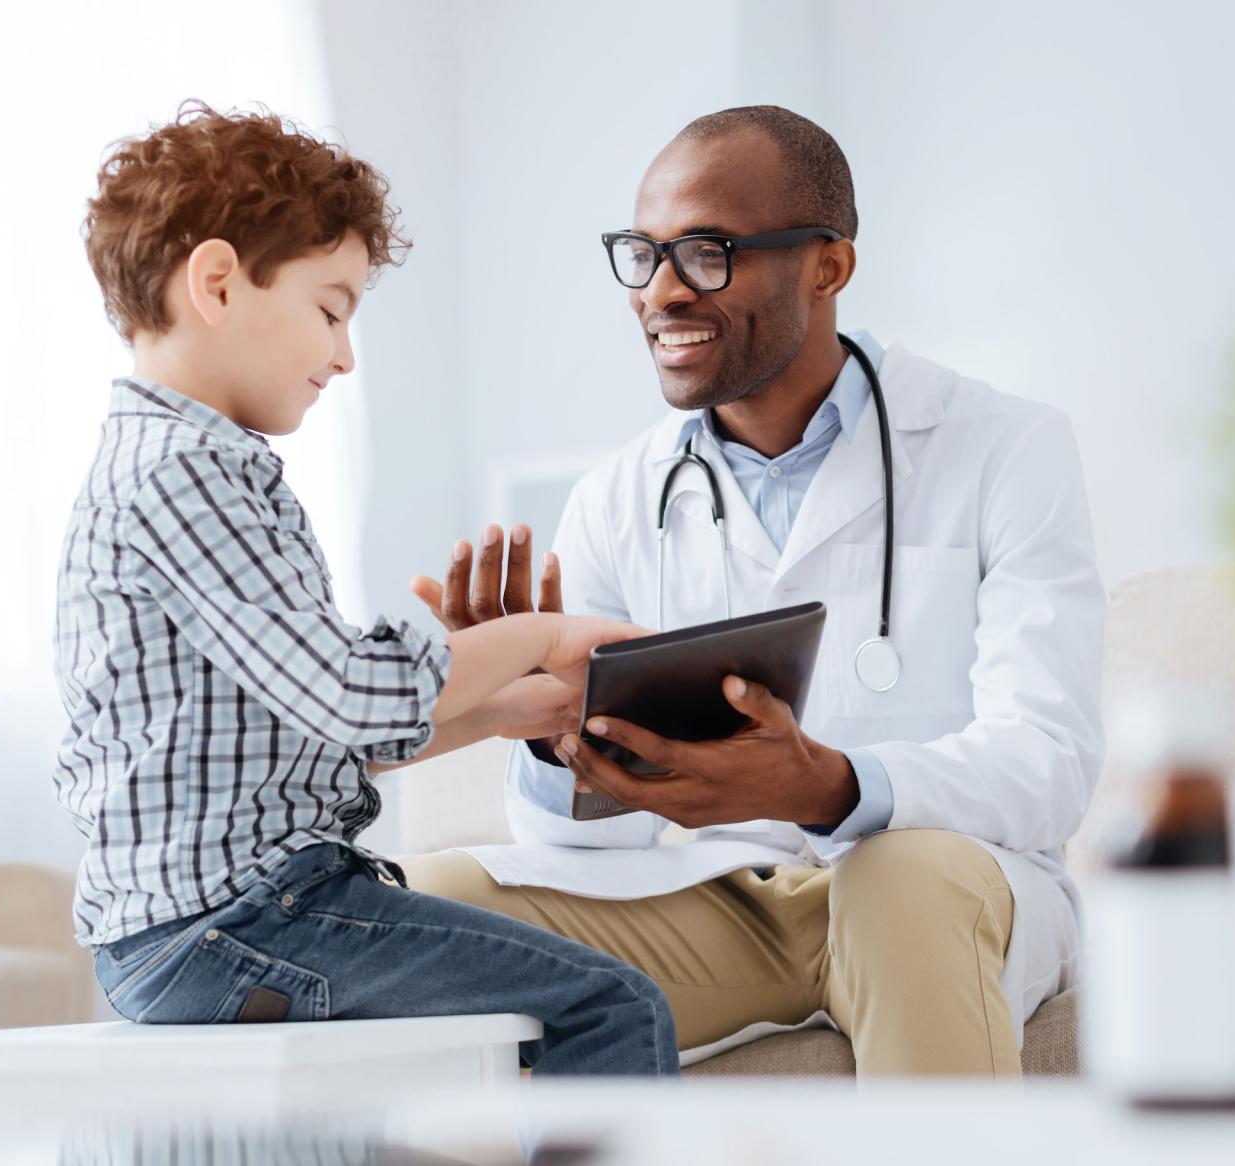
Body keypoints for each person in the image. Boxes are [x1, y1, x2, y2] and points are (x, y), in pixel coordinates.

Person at [400, 106, 1103, 1075]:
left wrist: (832, 784)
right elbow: (578, 838)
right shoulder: (617, 496)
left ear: (829, 264)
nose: (662, 291)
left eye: (706, 251)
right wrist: (542, 725)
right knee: (420, 905)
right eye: (642, 255)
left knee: (896, 880)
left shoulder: (1006, 448)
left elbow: (1047, 761)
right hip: (721, 900)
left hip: (944, 878)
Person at [53, 104, 676, 1076]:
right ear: (217, 282)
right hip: (234, 921)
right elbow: (349, 692)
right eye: (332, 309)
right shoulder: (188, 472)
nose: (344, 356)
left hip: (203, 924)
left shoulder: (182, 464)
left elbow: (310, 735)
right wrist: (544, 633)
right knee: (608, 1006)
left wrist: (511, 711)